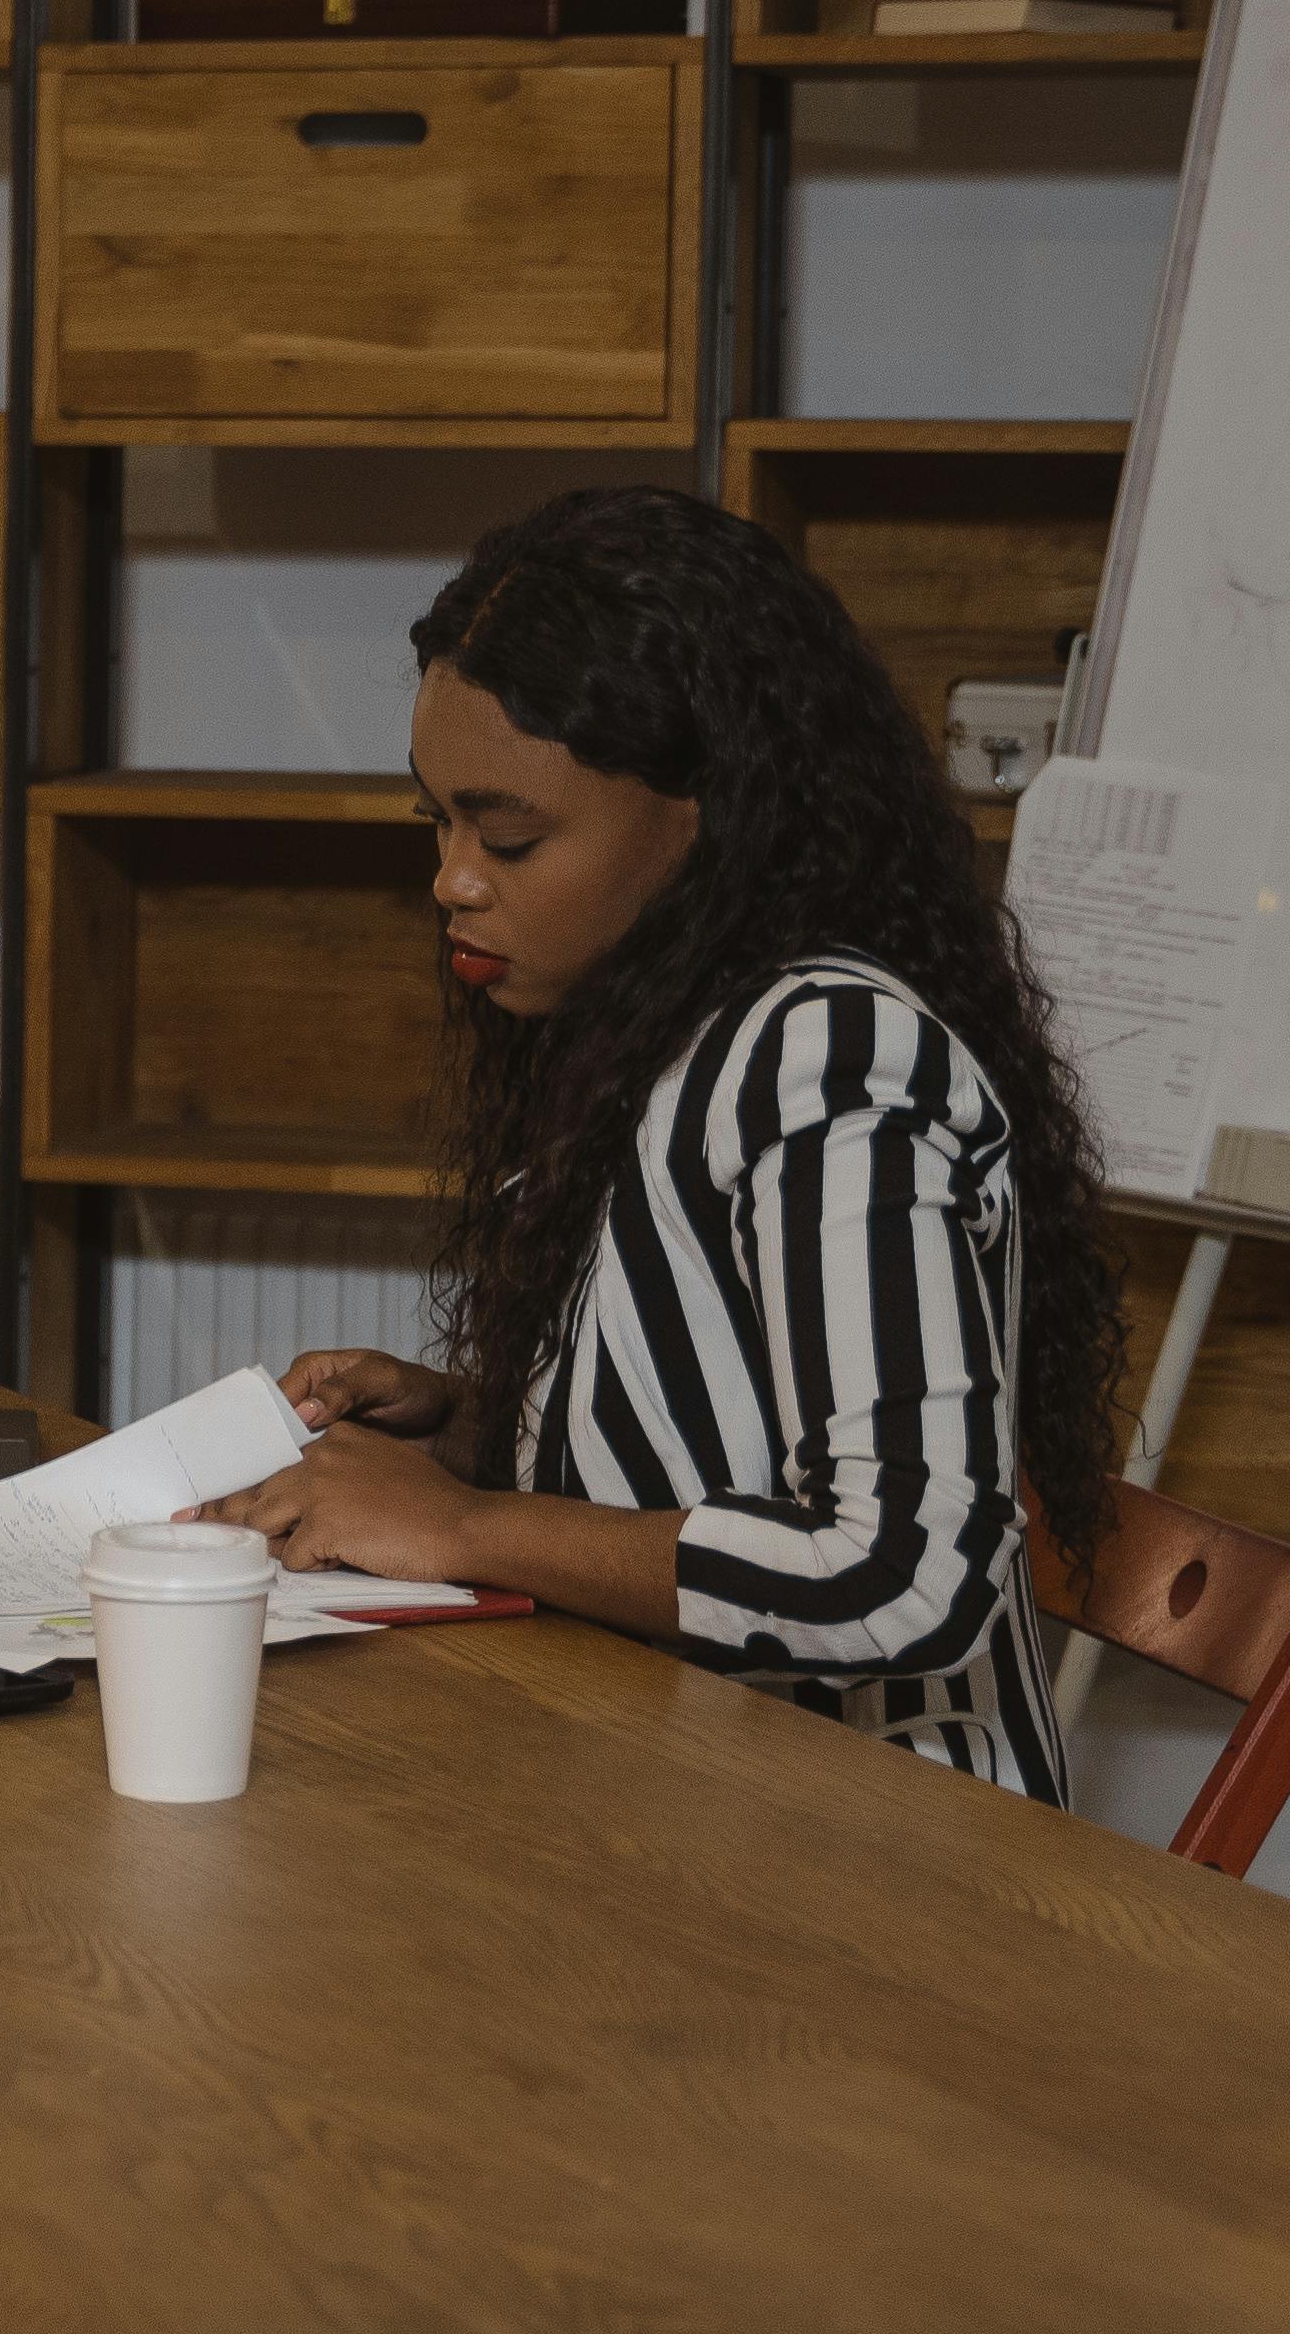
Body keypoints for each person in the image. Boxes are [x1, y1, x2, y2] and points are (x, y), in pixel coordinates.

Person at [190, 486, 1122, 1805]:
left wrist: (463, 1523)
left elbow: (904, 1574)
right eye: (437, 825)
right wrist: (476, 1425)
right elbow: (728, 1421)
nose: (454, 878)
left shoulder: (834, 1061)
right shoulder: (647, 1023)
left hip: (897, 1873)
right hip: (676, 1788)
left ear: (706, 817)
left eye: (508, 834)